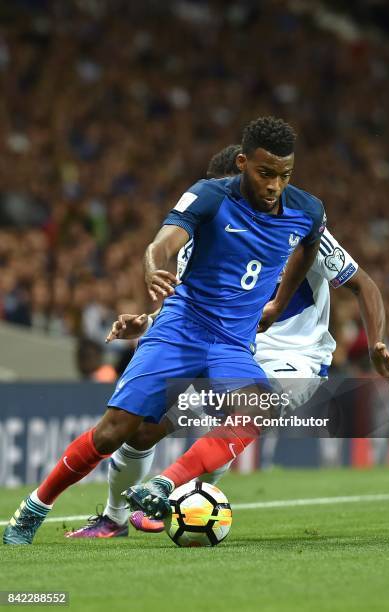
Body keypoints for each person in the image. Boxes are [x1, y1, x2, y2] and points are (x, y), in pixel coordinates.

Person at [3, 116, 327, 545]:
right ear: (244, 162)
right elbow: (162, 244)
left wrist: (280, 302)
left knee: (258, 408)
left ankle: (163, 484)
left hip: (232, 344)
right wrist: (156, 269)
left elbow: (307, 249)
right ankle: (34, 508)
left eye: (283, 176)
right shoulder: (211, 195)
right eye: (265, 173)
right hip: (181, 329)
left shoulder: (307, 210)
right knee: (113, 431)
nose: (273, 185)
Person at [68, 144, 389, 538]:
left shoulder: (298, 225)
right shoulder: (202, 235)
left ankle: (165, 487)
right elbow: (192, 309)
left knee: (245, 414)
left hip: (295, 356)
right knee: (145, 429)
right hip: (229, 347)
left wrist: (376, 343)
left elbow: (364, 285)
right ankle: (114, 518)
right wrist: (147, 322)